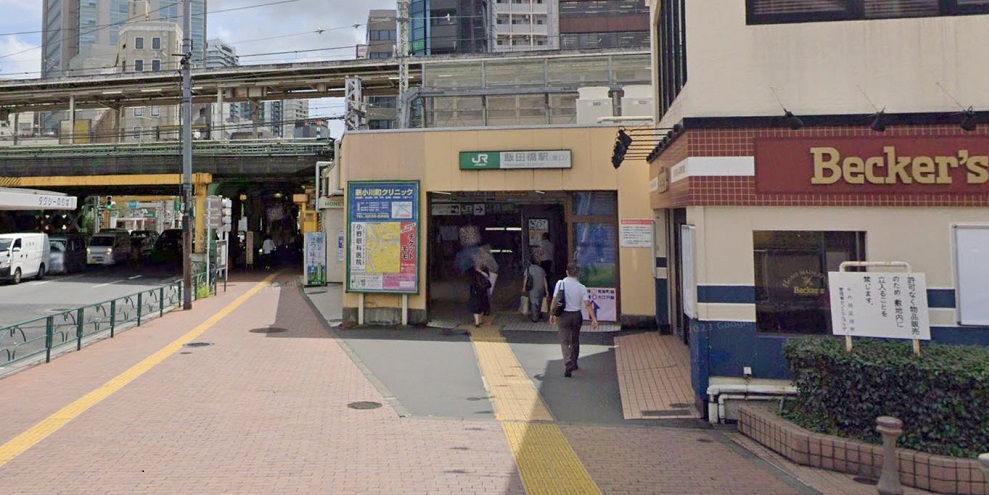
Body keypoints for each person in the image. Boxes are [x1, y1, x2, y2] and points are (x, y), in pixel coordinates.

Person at [549, 262, 599, 377]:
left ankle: (568, 362)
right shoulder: (581, 287)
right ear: (577, 273)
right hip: (576, 315)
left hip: (563, 316)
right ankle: (574, 362)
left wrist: (552, 314)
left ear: (567, 272)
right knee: (575, 340)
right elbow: (587, 304)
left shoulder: (560, 283)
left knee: (564, 340)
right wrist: (594, 319)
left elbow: (555, 300)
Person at [522, 255, 548, 322]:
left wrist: (524, 287)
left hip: (532, 288)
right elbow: (545, 281)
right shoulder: (541, 269)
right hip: (541, 288)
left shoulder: (528, 269)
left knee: (534, 302)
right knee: (540, 302)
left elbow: (526, 279)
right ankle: (539, 315)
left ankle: (534, 318)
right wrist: (546, 290)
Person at [468, 262, 492, 327]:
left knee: (482, 305)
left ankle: (479, 320)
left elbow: (487, 276)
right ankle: (477, 322)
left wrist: (480, 271)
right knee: (476, 305)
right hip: (475, 289)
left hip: (482, 289)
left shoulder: (484, 268)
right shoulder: (472, 270)